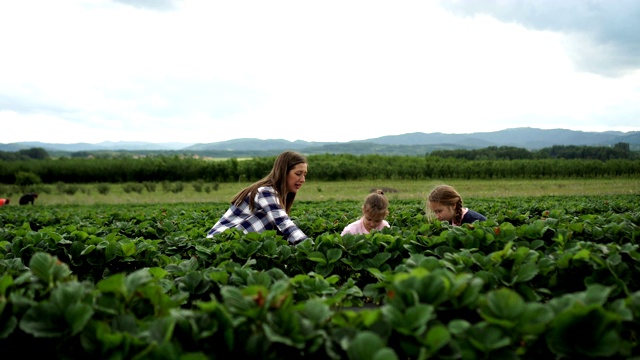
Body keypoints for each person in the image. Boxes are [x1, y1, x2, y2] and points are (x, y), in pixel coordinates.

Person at [207, 150, 309, 245]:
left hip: (229, 241)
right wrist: (308, 246)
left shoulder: (279, 195)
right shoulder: (265, 191)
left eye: (304, 174)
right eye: (298, 174)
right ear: (283, 172)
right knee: (273, 219)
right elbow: (283, 222)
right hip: (218, 241)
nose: (303, 179)